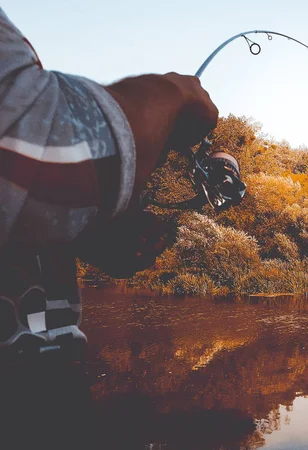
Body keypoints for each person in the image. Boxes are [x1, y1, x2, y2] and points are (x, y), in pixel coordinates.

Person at [0, 8, 219, 357]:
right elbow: (47, 141)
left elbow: (20, 193)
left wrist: (91, 234)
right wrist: (175, 92)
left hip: (45, 379)